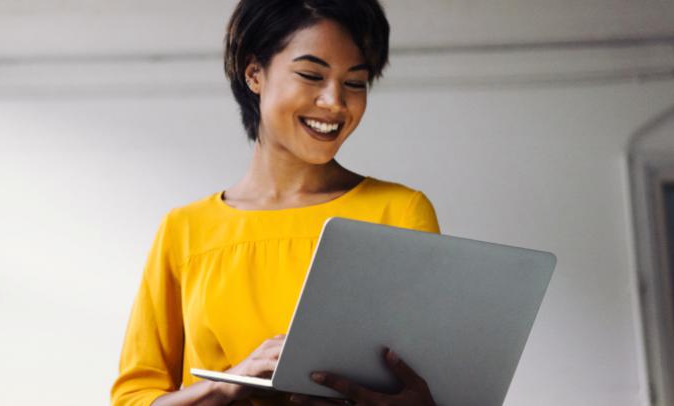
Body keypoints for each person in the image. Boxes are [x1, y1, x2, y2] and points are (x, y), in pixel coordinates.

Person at [111, 1, 439, 405]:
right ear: (254, 74)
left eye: (355, 82)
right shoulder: (185, 231)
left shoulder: (400, 213)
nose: (335, 101)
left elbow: (432, 386)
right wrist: (227, 382)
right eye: (311, 75)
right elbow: (134, 398)